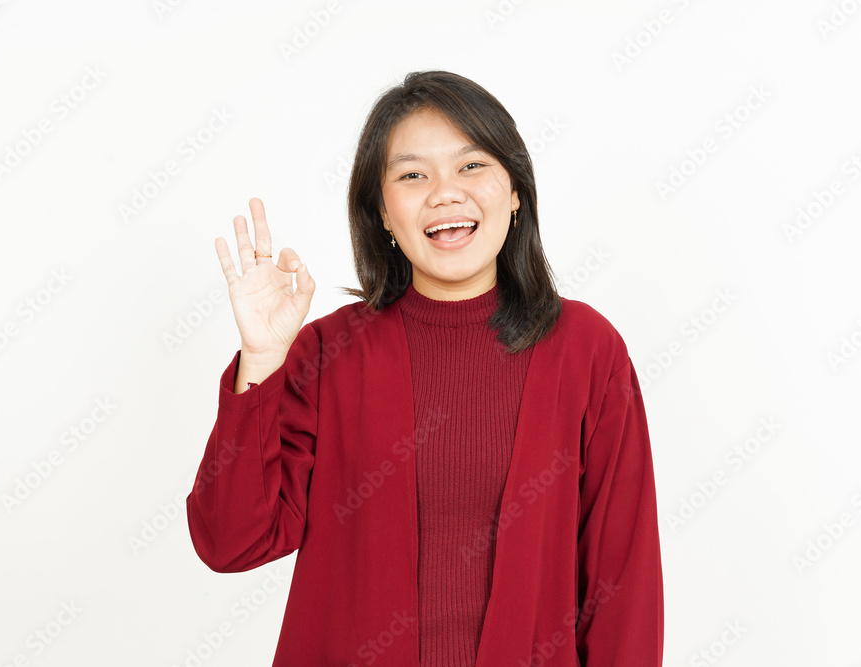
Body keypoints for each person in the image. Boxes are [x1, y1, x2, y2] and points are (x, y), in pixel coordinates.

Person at [186, 70, 663, 666]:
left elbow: (623, 578)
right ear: (382, 214)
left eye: (472, 166)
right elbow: (230, 542)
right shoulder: (328, 353)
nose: (445, 193)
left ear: (515, 192)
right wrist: (260, 362)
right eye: (412, 175)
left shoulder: (586, 348)